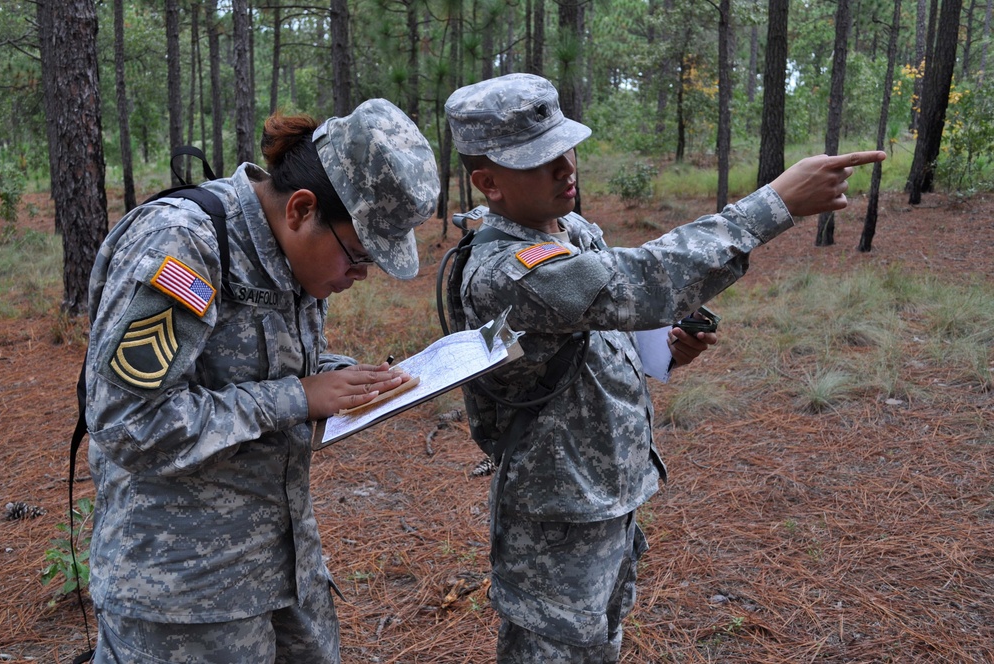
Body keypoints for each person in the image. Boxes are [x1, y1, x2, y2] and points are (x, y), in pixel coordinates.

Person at [443, 73, 885, 663]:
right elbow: (641, 281)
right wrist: (774, 204)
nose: (565, 167)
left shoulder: (568, 230)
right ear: (488, 183)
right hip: (556, 515)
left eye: (565, 147)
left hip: (601, 492)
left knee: (603, 642)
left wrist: (661, 352)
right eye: (540, 160)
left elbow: (596, 327)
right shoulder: (507, 268)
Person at [83, 99, 439, 663]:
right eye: (358, 255)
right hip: (186, 595)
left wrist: (341, 379)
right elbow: (128, 423)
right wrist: (295, 398)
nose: (360, 275)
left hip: (284, 565)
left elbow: (262, 366)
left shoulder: (296, 257)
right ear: (301, 208)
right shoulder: (184, 247)